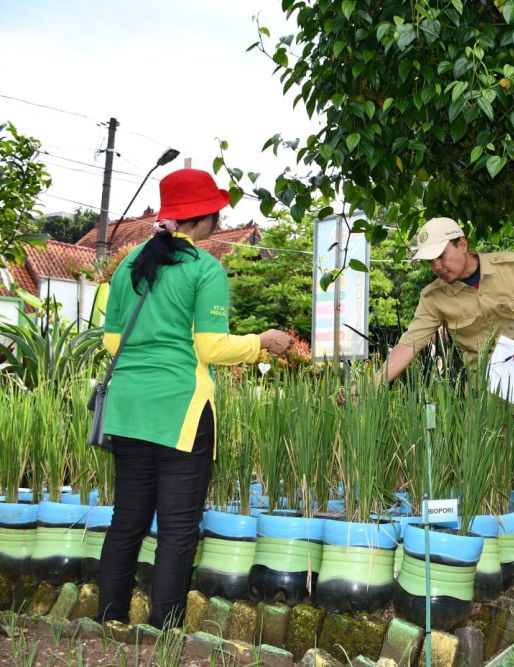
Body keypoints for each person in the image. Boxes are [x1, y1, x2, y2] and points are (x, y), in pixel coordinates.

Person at [97, 169, 292, 629]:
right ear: (202, 220)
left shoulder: (128, 266)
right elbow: (210, 348)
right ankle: (164, 629)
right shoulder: (205, 269)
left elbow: (110, 343)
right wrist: (261, 340)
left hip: (126, 409)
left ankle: (109, 619)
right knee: (178, 529)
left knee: (126, 521)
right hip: (180, 411)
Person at [380, 216, 514, 604]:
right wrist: (366, 388)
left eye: (442, 255)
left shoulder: (512, 265)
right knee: (479, 479)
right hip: (485, 392)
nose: (438, 266)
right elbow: (408, 346)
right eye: (430, 261)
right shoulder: (433, 297)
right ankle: (478, 577)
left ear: (462, 243)